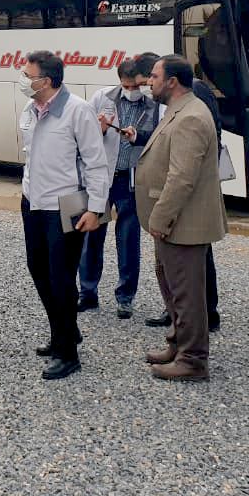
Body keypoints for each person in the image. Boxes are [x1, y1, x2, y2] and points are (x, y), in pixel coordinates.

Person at [134, 55, 227, 382]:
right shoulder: (179, 110)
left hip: (182, 224)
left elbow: (182, 178)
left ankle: (193, 360)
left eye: (155, 76)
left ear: (172, 81)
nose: (149, 81)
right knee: (173, 288)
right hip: (174, 223)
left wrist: (160, 218)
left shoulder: (190, 117)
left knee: (187, 294)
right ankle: (178, 343)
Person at [17, 51, 110, 380]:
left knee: (61, 278)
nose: (24, 80)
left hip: (66, 205)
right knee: (38, 269)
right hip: (33, 203)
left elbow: (96, 164)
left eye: (29, 76)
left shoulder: (77, 111)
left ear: (48, 80)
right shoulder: (30, 109)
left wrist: (95, 209)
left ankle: (67, 353)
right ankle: (66, 330)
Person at [78, 58, 160, 319]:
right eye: (125, 85)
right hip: (102, 178)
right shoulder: (102, 97)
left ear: (143, 81)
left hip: (130, 179)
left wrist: (138, 136)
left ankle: (125, 297)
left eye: (134, 85)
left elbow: (158, 136)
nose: (130, 90)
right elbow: (81, 135)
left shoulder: (155, 104)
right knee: (92, 236)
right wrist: (99, 129)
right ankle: (87, 293)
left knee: (128, 239)